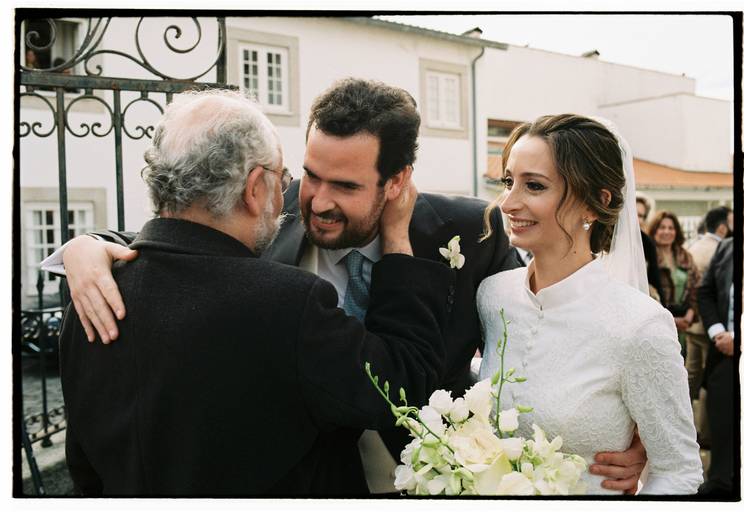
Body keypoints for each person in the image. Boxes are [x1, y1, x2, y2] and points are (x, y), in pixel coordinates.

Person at [44, 79, 648, 494]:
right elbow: (182, 242)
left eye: (346, 186)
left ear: (397, 180)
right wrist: (85, 248)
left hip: (427, 484)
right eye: (310, 174)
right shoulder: (266, 213)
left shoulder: (473, 231)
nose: (317, 200)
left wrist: (622, 421)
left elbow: (542, 334)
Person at [59, 89, 455, 496]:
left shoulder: (91, 297)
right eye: (284, 180)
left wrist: (83, 244)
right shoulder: (287, 303)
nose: (296, 199)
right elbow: (402, 383)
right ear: (253, 189)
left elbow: (84, 465)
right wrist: (398, 244)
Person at [477, 114, 703, 494]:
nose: (507, 202)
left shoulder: (639, 326)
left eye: (534, 186)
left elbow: (679, 472)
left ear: (596, 203)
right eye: (508, 182)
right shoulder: (492, 296)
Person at [686, 206, 732, 446]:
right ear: (722, 227)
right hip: (711, 330)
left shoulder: (694, 246)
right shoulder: (719, 248)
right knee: (708, 379)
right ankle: (704, 432)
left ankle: (688, 427)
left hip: (693, 326)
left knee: (691, 375)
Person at [697, 237, 736, 498]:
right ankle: (721, 481)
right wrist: (718, 331)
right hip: (724, 353)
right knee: (721, 417)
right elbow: (705, 292)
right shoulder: (727, 246)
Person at [649, 211, 702, 356]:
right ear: (654, 231)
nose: (667, 231)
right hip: (657, 327)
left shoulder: (685, 256)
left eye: (671, 228)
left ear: (676, 231)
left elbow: (697, 286)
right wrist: (671, 320)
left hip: (683, 325)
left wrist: (691, 313)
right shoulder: (647, 258)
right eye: (662, 227)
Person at [635, 195, 664, 303]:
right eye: (633, 213)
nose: (636, 218)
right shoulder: (608, 239)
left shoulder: (647, 244)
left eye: (640, 215)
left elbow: (654, 279)